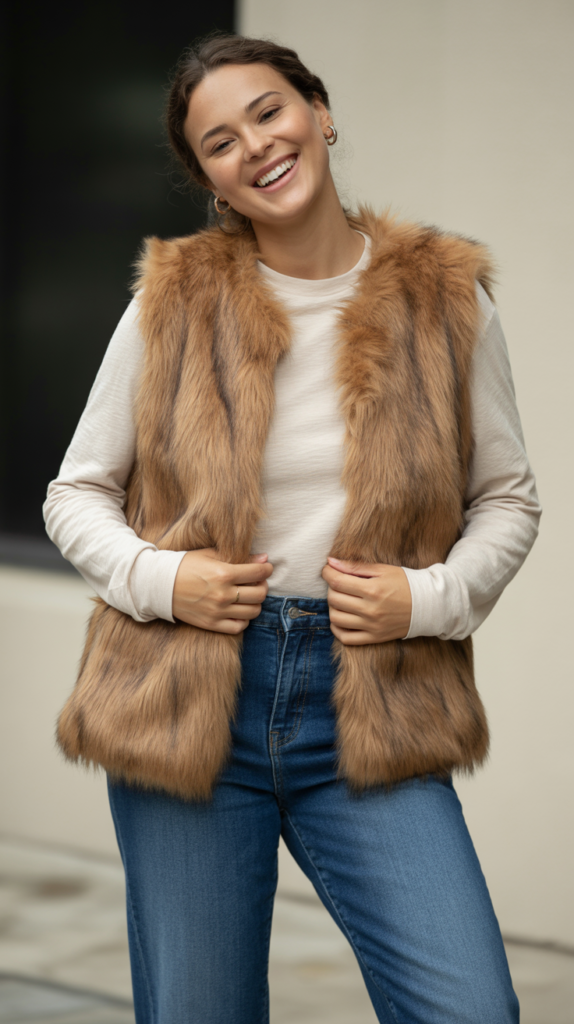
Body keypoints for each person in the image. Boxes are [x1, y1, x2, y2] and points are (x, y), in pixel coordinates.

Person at [44, 33, 540, 1024]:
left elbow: (508, 498)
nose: (256, 145)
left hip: (372, 702)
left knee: (470, 1008)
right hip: (186, 701)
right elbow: (77, 491)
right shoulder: (171, 299)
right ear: (211, 181)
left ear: (318, 111)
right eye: (219, 141)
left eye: (268, 111)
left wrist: (429, 599)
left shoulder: (447, 298)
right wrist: (160, 579)